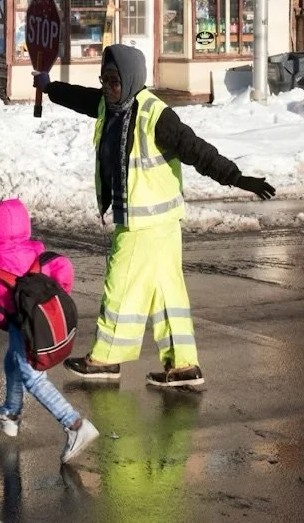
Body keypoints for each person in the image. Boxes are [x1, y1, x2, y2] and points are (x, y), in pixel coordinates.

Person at [35, 44, 276, 389]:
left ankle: (105, 358)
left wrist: (237, 178)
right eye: (104, 80)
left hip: (142, 222)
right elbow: (80, 97)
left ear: (132, 78)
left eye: (114, 81)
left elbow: (197, 150)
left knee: (120, 286)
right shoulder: (109, 105)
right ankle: (183, 366)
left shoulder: (155, 115)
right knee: (168, 295)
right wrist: (48, 86)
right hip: (161, 221)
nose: (108, 87)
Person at [0, 198, 99, 464]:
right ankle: (11, 412)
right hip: (41, 324)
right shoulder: (37, 254)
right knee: (12, 362)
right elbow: (64, 268)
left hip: (21, 325)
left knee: (34, 378)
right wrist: (52, 301)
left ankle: (74, 425)